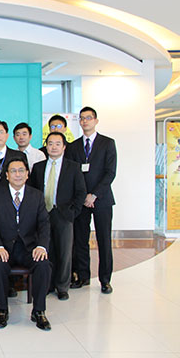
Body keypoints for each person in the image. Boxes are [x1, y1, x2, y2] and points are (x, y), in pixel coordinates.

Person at [0, 158, 52, 330]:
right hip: (4, 247)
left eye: (21, 170)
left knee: (43, 265)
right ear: (7, 175)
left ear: (27, 174)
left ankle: (39, 311)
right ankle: (2, 310)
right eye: (13, 171)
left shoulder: (36, 195)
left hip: (28, 248)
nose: (17, 174)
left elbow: (44, 224)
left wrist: (42, 246)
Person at [65, 107, 117, 294]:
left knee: (104, 240)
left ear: (95, 120)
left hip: (101, 199)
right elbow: (72, 174)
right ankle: (83, 276)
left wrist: (94, 194)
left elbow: (110, 172)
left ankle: (105, 280)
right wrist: (83, 196)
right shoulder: (73, 147)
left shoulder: (107, 143)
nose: (85, 121)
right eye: (82, 118)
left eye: (88, 118)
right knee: (80, 240)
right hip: (80, 200)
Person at [30, 132, 86, 300]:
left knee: (64, 252)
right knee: (46, 250)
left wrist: (73, 213)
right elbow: (32, 191)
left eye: (57, 144)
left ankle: (62, 287)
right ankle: (48, 284)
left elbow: (81, 192)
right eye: (50, 144)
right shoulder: (38, 167)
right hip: (43, 214)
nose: (53, 147)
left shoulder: (73, 167)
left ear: (64, 147)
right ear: (46, 146)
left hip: (63, 214)